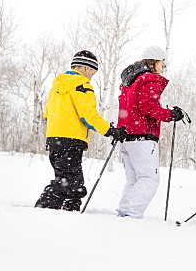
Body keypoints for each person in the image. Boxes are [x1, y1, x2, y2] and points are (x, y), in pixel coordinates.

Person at [35, 50, 128, 211]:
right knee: (67, 182)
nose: (92, 76)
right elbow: (88, 116)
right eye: (92, 71)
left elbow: (47, 116)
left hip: (54, 140)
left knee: (73, 182)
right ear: (85, 68)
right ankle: (42, 210)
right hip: (70, 140)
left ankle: (70, 213)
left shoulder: (57, 87)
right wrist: (111, 130)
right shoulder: (82, 86)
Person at [115, 45, 187, 219]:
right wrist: (171, 115)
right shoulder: (148, 78)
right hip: (142, 137)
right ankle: (129, 213)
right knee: (149, 179)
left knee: (134, 180)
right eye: (163, 64)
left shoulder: (130, 81)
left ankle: (124, 216)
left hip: (127, 136)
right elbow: (148, 107)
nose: (163, 69)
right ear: (155, 61)